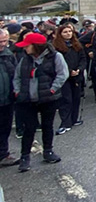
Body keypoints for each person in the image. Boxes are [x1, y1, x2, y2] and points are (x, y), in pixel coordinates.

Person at [13, 32, 68, 172]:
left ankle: (48, 151)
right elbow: (17, 76)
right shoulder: (25, 59)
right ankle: (25, 156)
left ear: (36, 46)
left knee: (47, 125)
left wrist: (52, 89)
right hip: (27, 99)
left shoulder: (55, 57)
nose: (24, 48)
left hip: (48, 98)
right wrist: (17, 91)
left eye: (27, 46)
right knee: (29, 128)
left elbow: (62, 74)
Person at [53, 24, 87, 135]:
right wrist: (70, 70)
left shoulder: (77, 45)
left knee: (76, 97)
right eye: (65, 32)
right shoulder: (56, 47)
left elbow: (83, 59)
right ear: (60, 34)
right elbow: (58, 63)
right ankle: (65, 122)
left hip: (77, 75)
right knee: (66, 99)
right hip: (64, 77)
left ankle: (74, 118)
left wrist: (79, 69)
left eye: (69, 31)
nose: (68, 34)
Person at [0, 29, 20, 166]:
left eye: (5, 41)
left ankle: (3, 154)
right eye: (0, 41)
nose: (2, 44)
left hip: (7, 99)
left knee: (5, 127)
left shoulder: (8, 55)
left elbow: (16, 73)